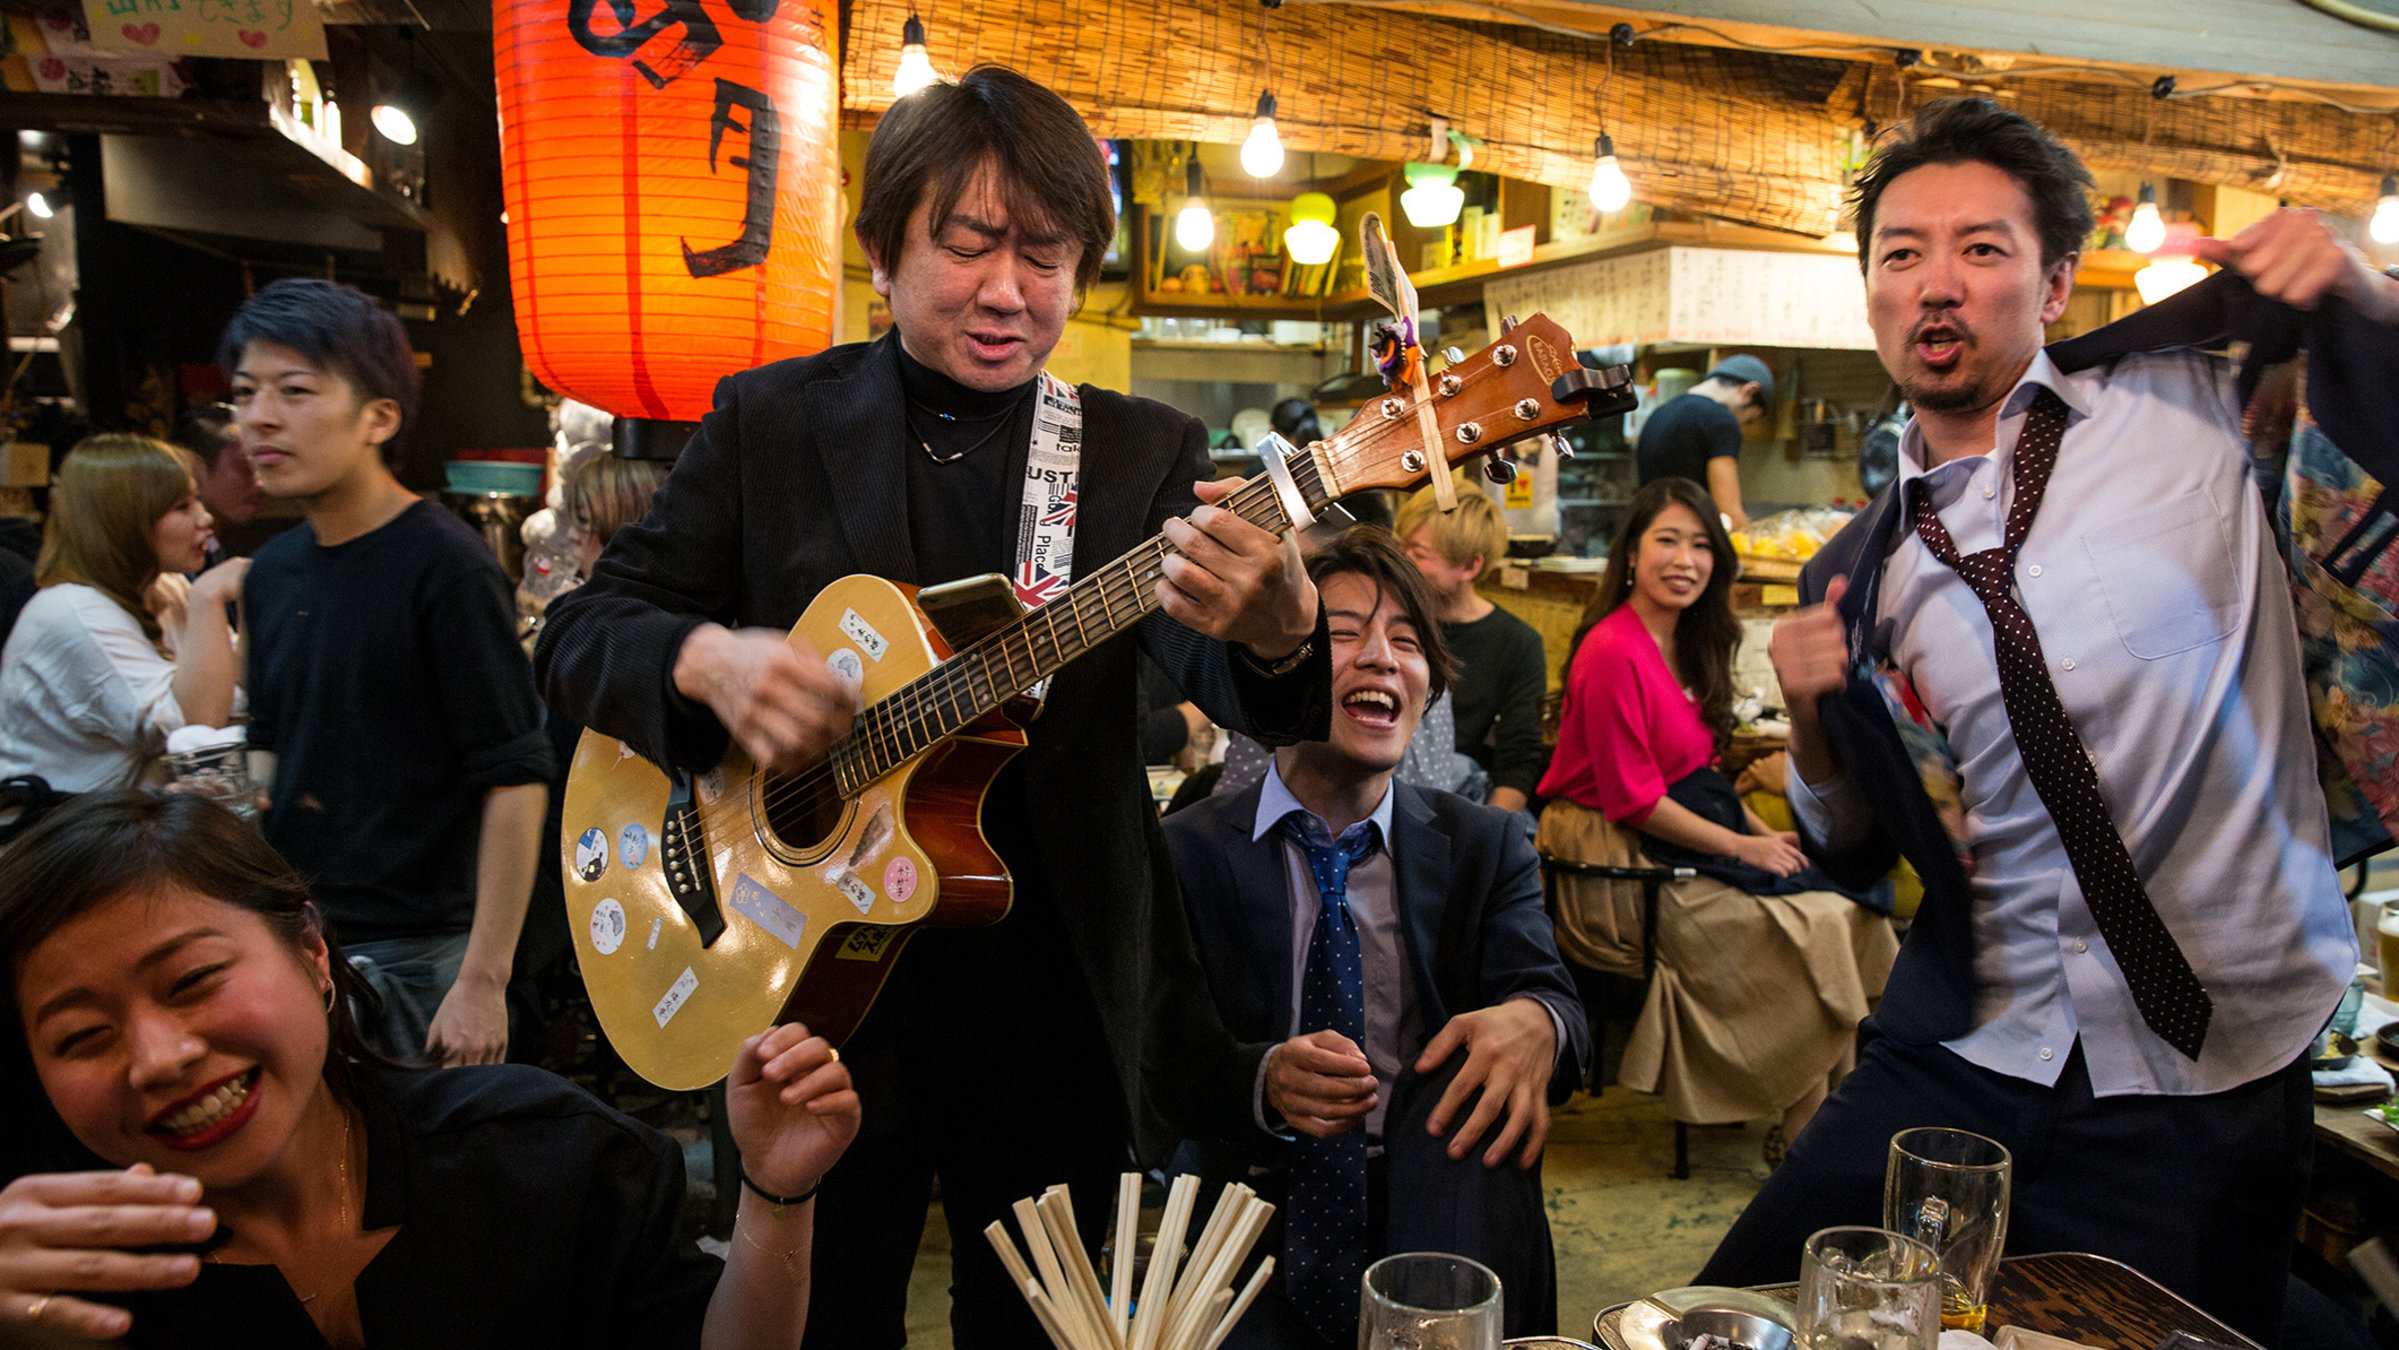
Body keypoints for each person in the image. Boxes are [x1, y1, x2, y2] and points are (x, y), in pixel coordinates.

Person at [534, 66, 1329, 1349]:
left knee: (1048, 1330)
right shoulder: (769, 425)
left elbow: (1248, 702)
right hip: (801, 992)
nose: (1008, 290)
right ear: (881, 249)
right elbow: (578, 637)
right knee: (816, 1319)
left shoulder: (1138, 454)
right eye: (966, 245)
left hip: (1051, 1004)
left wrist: (1281, 628)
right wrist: (704, 664)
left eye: (1047, 255)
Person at [1698, 98, 2395, 1340]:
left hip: (2209, 1067)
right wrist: (1812, 724)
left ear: (2057, 280)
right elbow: (1857, 849)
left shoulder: (2209, 405)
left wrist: (2360, 297)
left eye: (1980, 248)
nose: (1934, 286)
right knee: (1736, 1312)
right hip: (1968, 1041)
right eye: (1900, 253)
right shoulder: (1856, 577)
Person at [0, 790, 857, 1350]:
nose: (159, 1059)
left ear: (311, 951)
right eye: (81, 1036)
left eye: (191, 982)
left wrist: (776, 1195)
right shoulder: (47, 1282)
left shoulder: (541, 1157)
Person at [1164, 527, 1586, 1347]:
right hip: (1252, 1205)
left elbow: (1560, 1011)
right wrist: (1261, 1081)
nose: (1382, 659)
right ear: (1278, 672)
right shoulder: (1189, 846)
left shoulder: (1483, 845)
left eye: (1407, 641)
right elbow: (1157, 1058)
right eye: (1344, 631)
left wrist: (1539, 1019)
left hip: (1435, 1200)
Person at [226, 279, 552, 1071]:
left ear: (379, 417)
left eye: (295, 391)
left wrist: (483, 978)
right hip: (300, 939)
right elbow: (270, 739)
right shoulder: (271, 571)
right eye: (244, 392)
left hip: (422, 956)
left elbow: (514, 777)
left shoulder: (444, 566)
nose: (259, 417)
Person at [1535, 478, 1893, 1162]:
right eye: (1666, 540)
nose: (1684, 559)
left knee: (1853, 911)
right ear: (1630, 556)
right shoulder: (1613, 649)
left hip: (1677, 840)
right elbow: (1633, 799)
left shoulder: (1688, 643)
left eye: (1701, 544)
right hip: (1616, 862)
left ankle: (1825, 1121)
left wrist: (1764, 837)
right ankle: (1808, 1139)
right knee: (1815, 925)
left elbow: (1697, 778)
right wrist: (1742, 846)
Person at [0, 435, 246, 792]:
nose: (204, 518)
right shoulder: (71, 612)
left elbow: (243, 685)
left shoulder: (168, 587)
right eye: (182, 506)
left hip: (125, 830)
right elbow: (195, 729)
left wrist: (252, 600)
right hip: (60, 838)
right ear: (125, 521)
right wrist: (208, 595)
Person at [1395, 481, 1548, 813]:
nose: (1402, 562)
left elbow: (1518, 761)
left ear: (1469, 566)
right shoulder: (1387, 620)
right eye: (1401, 547)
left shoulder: (1518, 643)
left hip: (1464, 805)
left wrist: (1486, 842)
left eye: (1418, 554)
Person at [1634, 354, 1774, 530]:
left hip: (1650, 533)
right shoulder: (1721, 420)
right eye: (1749, 420)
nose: (1742, 425)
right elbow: (1728, 511)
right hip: (1689, 537)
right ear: (1749, 391)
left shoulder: (1660, 412)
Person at [171, 404, 265, 567]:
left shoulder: (212, 548)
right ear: (194, 467)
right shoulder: (168, 562)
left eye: (262, 468)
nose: (260, 484)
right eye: (246, 468)